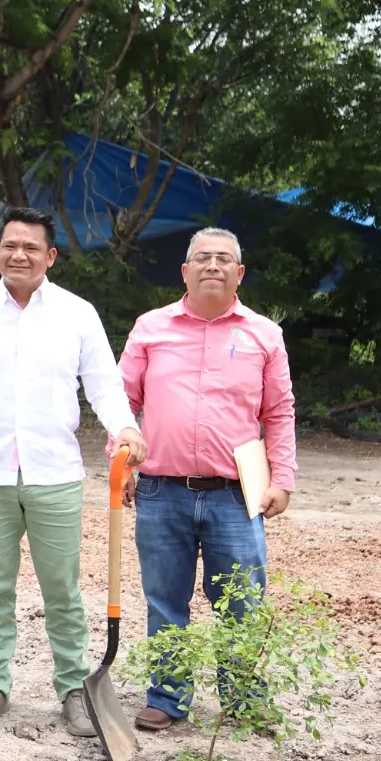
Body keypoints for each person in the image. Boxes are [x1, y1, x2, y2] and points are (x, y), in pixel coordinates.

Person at [0, 206, 147, 737]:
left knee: (63, 591)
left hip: (54, 473)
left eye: (30, 247)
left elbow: (103, 385)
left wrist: (126, 428)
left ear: (50, 256)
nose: (19, 255)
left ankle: (74, 688)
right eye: (10, 245)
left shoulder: (77, 314)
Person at [118, 227, 296, 731]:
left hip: (236, 494)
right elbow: (121, 401)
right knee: (164, 600)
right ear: (185, 270)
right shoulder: (151, 328)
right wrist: (122, 461)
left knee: (242, 602)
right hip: (160, 490)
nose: (212, 265)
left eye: (223, 259)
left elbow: (279, 412)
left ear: (239, 273)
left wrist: (282, 479)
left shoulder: (264, 334)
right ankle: (167, 697)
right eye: (202, 258)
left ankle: (242, 696)